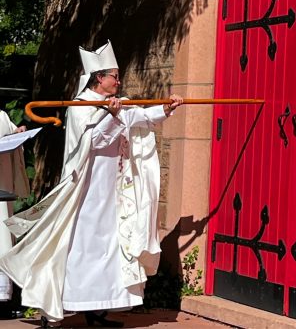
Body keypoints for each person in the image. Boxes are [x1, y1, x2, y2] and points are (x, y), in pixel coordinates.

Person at [0, 40, 183, 327]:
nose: (119, 81)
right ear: (99, 78)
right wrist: (111, 116)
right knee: (82, 249)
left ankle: (98, 308)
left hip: (110, 192)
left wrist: (167, 107)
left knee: (108, 249)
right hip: (85, 191)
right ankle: (63, 305)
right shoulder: (80, 106)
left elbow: (142, 117)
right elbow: (92, 141)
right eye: (115, 76)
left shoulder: (115, 104)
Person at [0, 110, 29, 312]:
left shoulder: (1, 115)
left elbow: (9, 134)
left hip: (2, 187)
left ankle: (2, 300)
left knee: (3, 238)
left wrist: (17, 133)